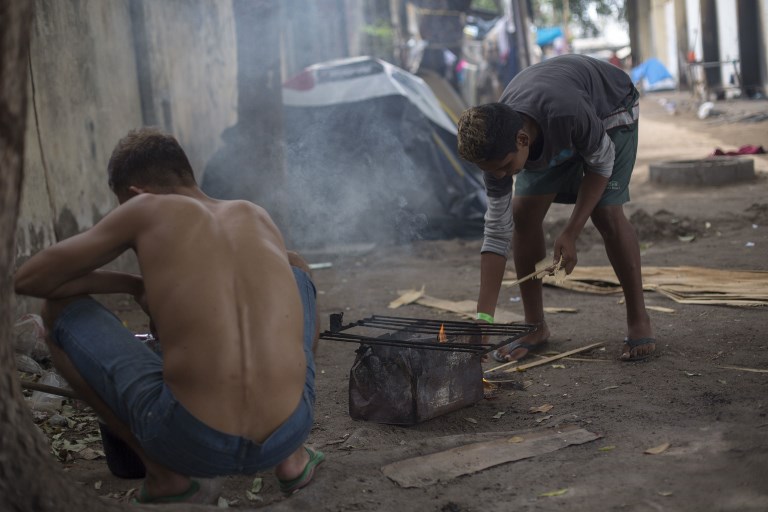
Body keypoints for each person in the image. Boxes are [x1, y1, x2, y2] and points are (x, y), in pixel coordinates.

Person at [14, 128, 324, 504]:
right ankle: (294, 458)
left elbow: (30, 279)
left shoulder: (145, 208)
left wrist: (132, 285)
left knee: (56, 311)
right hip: (289, 428)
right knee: (295, 268)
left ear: (134, 194)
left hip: (191, 441)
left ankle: (164, 474)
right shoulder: (253, 214)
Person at [457, 54, 655, 363]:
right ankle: (535, 326)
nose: (499, 176)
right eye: (490, 171)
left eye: (505, 167)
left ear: (523, 140)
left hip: (610, 110)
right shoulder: (496, 151)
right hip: (554, 125)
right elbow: (496, 235)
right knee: (523, 214)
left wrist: (571, 232)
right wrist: (484, 320)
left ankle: (638, 318)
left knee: (606, 212)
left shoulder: (566, 112)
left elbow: (601, 162)